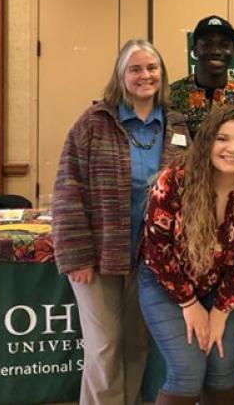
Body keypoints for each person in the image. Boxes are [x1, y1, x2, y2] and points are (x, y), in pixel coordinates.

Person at [53, 39, 189, 405]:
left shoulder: (176, 126)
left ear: (162, 74)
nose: (145, 75)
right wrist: (77, 256)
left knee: (135, 342)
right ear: (121, 75)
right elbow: (68, 190)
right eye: (136, 69)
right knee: (104, 346)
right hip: (97, 258)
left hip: (151, 258)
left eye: (152, 68)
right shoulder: (94, 123)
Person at [139, 106, 234, 405]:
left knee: (222, 368)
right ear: (206, 142)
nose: (232, 149)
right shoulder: (174, 179)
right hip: (166, 284)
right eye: (222, 138)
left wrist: (221, 311)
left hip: (222, 287)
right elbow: (156, 249)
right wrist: (189, 304)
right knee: (188, 370)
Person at [169, 15, 234, 137]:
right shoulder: (172, 95)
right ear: (195, 50)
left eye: (224, 45)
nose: (216, 51)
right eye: (207, 44)